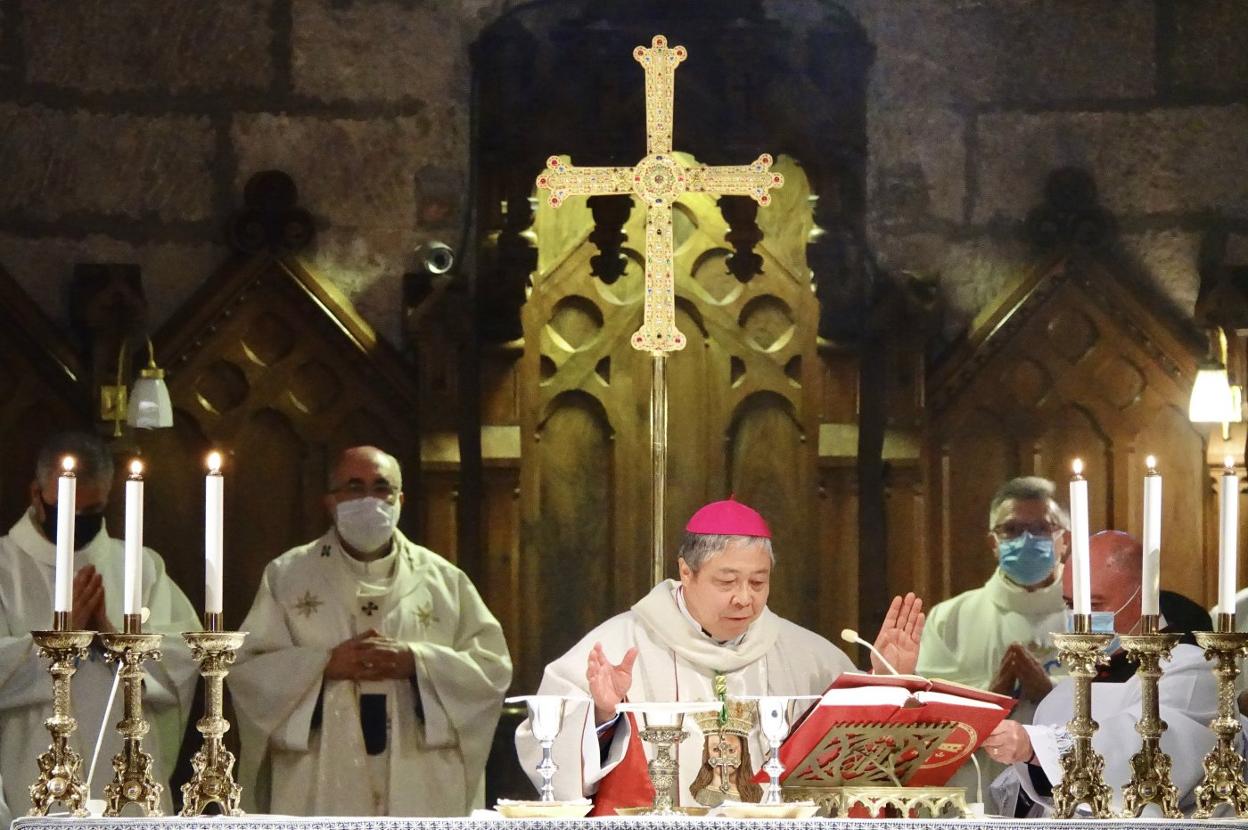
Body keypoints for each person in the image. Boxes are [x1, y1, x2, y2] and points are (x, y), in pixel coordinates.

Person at [515, 498, 925, 812]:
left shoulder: (807, 655)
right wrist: (603, 716)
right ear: (686, 572)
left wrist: (883, 678)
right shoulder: (618, 645)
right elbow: (547, 746)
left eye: (758, 582)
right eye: (727, 581)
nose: (744, 598)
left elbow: (856, 757)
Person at [230, 446, 512, 817]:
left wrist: (417, 662)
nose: (369, 499)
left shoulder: (444, 581)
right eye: (354, 487)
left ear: (400, 499)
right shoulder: (288, 575)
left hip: (419, 775)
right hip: (322, 769)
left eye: (382, 488)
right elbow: (249, 672)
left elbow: (492, 671)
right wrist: (324, 666)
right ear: (330, 501)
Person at [0, 431, 198, 818]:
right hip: (30, 767)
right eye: (67, 509)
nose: (77, 522)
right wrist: (57, 643)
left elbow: (186, 658)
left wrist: (116, 640)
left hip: (128, 772)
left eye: (92, 512)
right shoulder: (5, 567)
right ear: (35, 495)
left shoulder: (141, 566)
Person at [984, 530, 1221, 816]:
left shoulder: (1191, 669)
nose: (1080, 621)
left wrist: (1036, 748)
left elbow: (1148, 752)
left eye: (1094, 605)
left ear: (1143, 596)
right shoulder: (1067, 690)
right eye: (1071, 605)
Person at [916, 477, 1071, 791]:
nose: (1026, 540)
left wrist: (1048, 692)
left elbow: (1114, 711)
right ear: (993, 543)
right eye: (1011, 530)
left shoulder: (1093, 618)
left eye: (1041, 528)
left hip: (1068, 793)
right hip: (976, 791)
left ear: (1064, 540)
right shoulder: (951, 618)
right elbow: (927, 722)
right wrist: (994, 696)